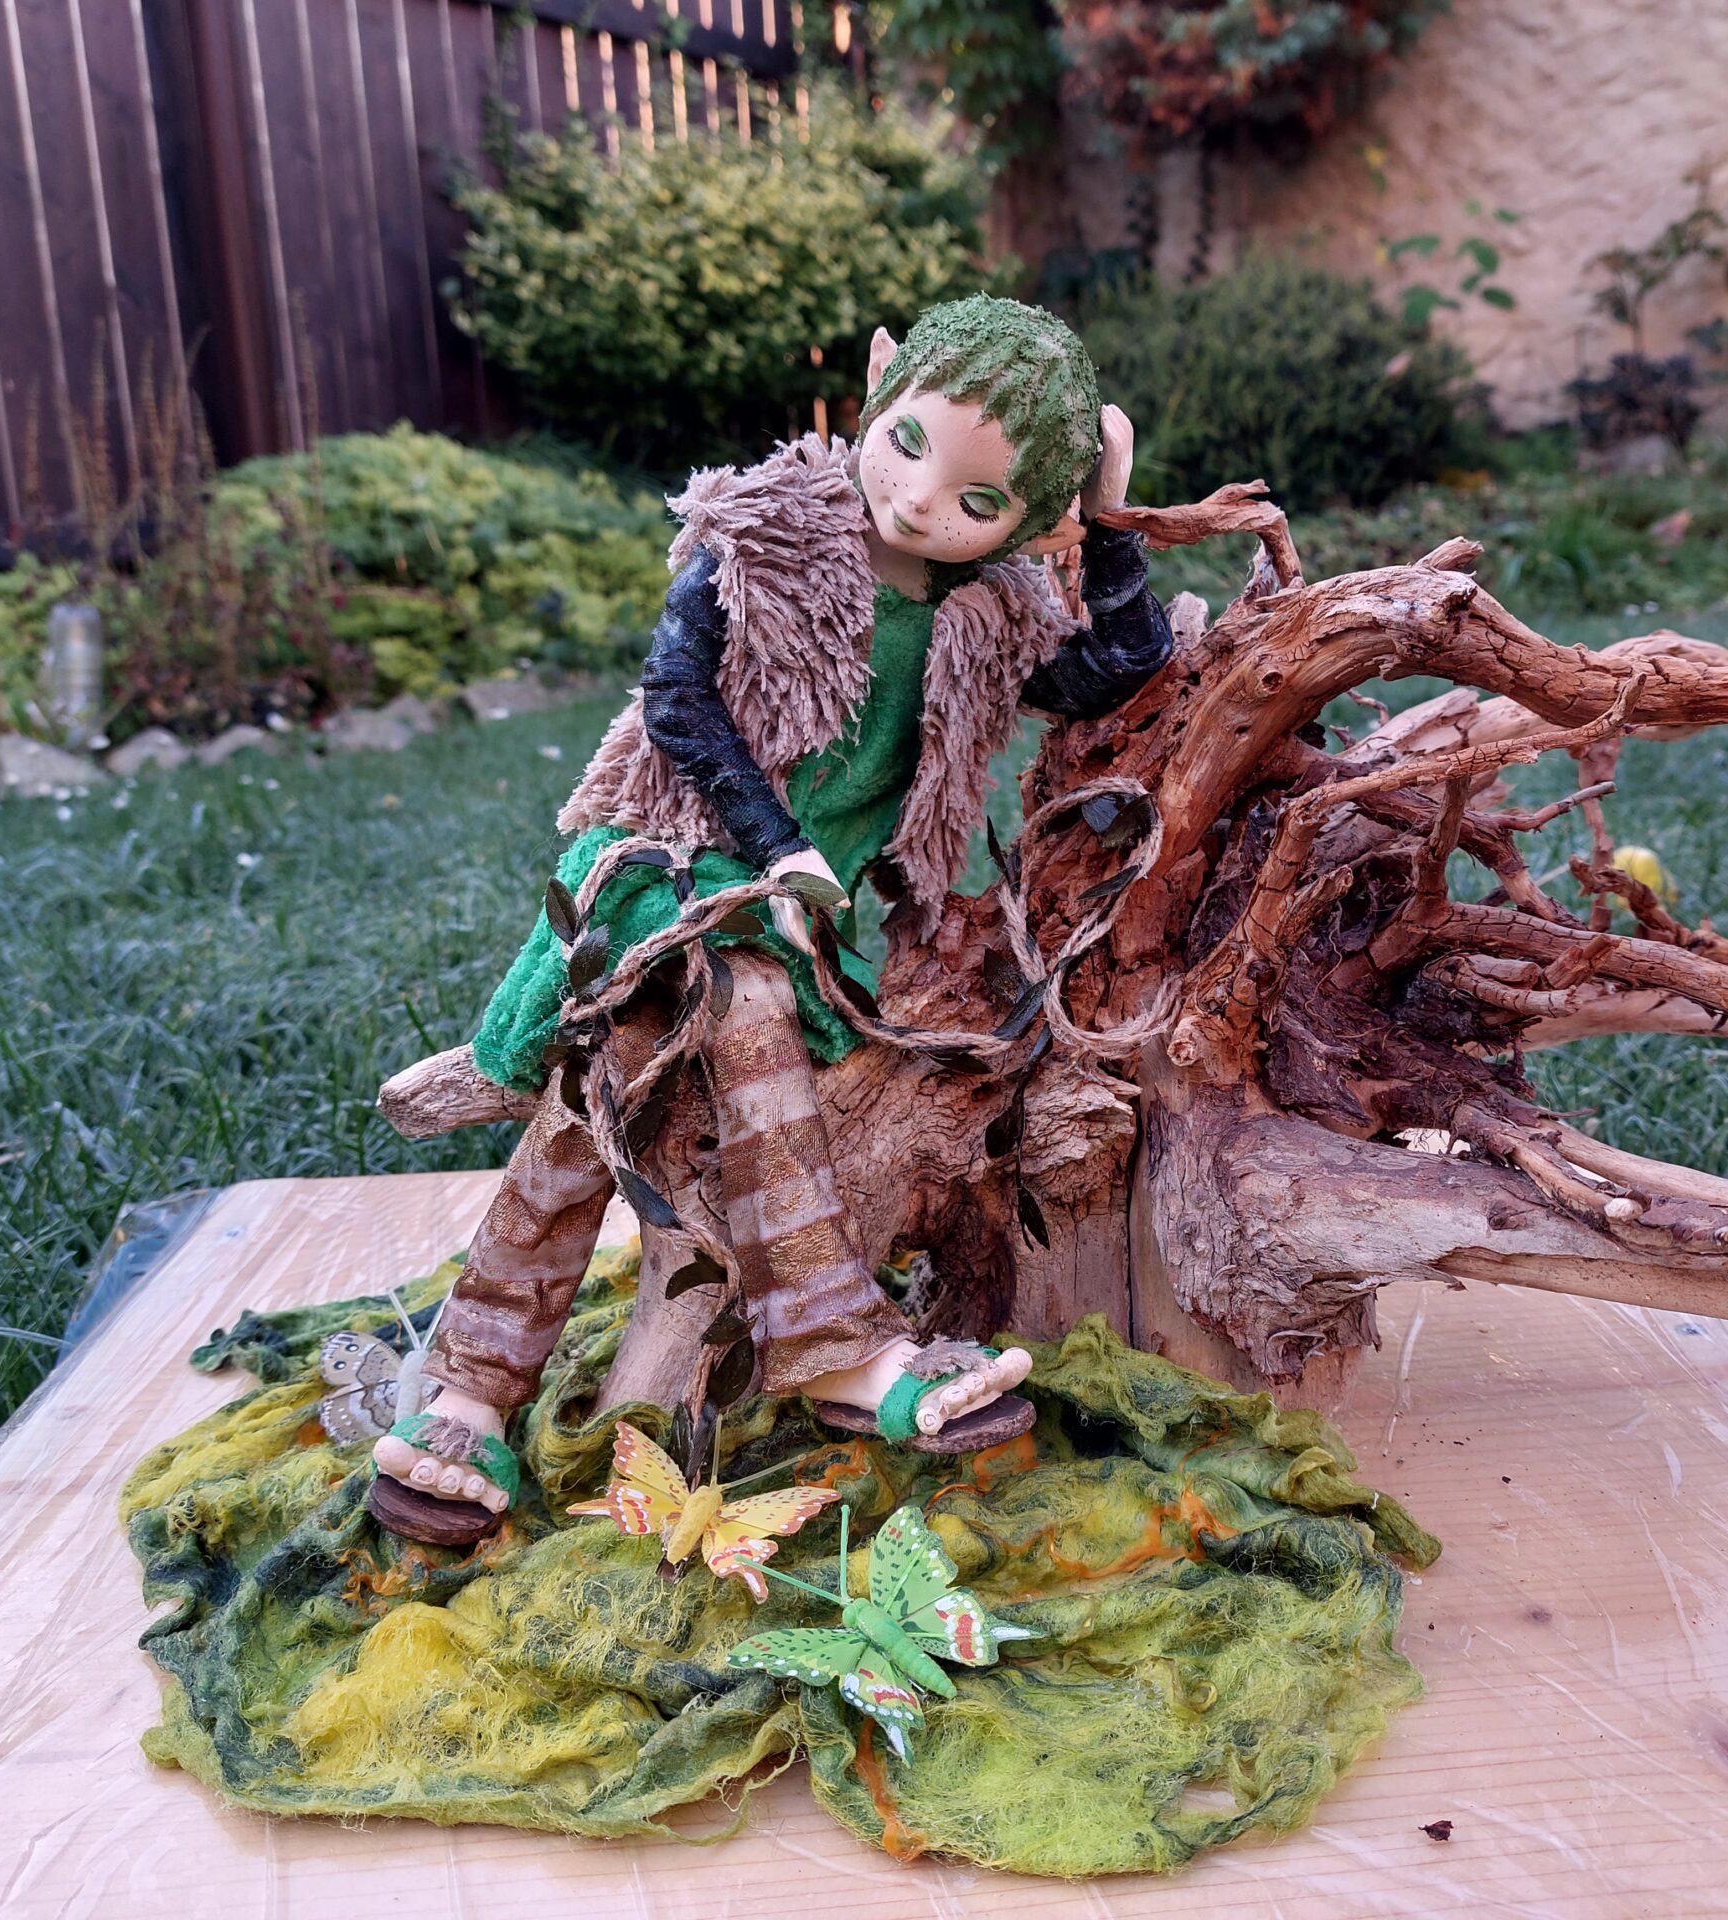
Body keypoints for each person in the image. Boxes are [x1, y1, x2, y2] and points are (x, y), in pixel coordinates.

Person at [371, 296, 1176, 1541]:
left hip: (803, 912)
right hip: (667, 864)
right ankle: (832, 1350)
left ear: (1032, 520)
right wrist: (776, 846)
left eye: (979, 499)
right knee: (726, 1002)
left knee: (611, 1078)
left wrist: (1111, 527)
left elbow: (1114, 668)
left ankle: (474, 1386)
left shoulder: (988, 609)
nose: (920, 500)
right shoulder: (764, 536)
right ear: (878, 384)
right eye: (908, 444)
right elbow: (677, 699)